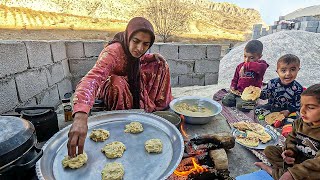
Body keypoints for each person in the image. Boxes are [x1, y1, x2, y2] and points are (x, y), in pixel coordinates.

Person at [67, 17, 173, 157]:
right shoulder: (113, 52)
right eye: (136, 41)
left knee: (160, 63)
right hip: (112, 87)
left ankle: (159, 110)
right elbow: (93, 78)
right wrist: (81, 116)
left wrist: (151, 57)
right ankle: (123, 125)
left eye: (146, 44)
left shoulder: (136, 51)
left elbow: (134, 59)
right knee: (117, 83)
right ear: (128, 36)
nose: (140, 48)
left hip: (128, 80)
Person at [255, 84, 320, 180]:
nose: (302, 111)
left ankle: (273, 172)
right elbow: (291, 139)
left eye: (310, 107)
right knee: (269, 150)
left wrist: (293, 173)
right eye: (301, 105)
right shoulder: (299, 123)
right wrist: (290, 151)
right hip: (297, 158)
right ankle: (286, 173)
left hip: (312, 166)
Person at [257, 54, 303, 136]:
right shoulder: (272, 83)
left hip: (288, 111)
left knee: (295, 117)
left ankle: (286, 126)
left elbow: (298, 104)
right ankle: (274, 121)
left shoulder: (298, 88)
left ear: (298, 70)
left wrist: (288, 111)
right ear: (277, 71)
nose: (288, 74)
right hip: (272, 107)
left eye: (292, 70)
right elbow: (265, 95)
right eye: (283, 70)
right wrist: (258, 93)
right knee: (258, 109)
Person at [222, 39, 269, 111]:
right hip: (239, 93)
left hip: (250, 94)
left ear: (259, 57)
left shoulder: (261, 65)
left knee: (241, 106)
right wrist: (233, 87)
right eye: (245, 56)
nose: (247, 60)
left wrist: (246, 66)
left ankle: (253, 104)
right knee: (226, 101)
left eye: (251, 58)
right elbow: (235, 79)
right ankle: (238, 101)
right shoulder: (240, 66)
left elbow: (262, 68)